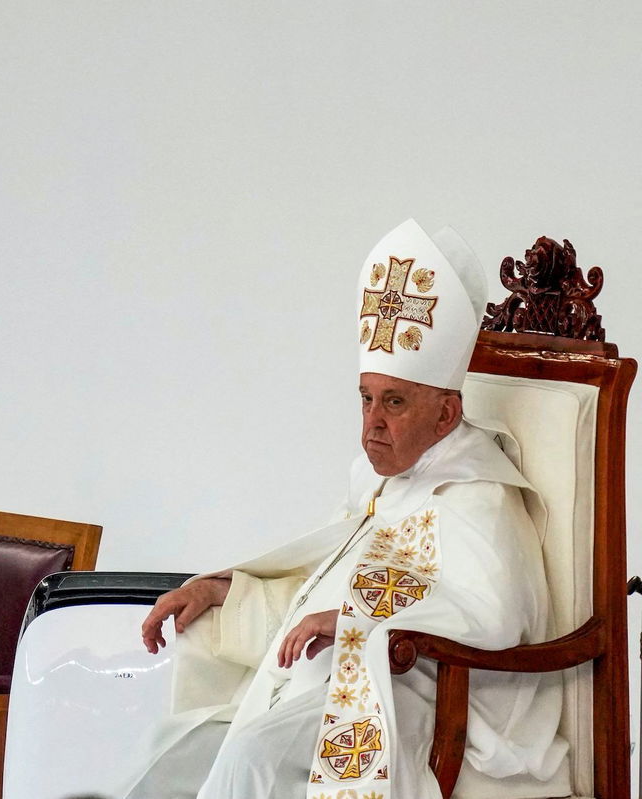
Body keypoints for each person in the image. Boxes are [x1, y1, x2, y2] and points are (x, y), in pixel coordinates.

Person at [124, 220, 570, 799]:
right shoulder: (380, 480)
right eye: (365, 398)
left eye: (394, 402)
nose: (372, 423)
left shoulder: (478, 496)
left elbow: (499, 621)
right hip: (341, 675)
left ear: (446, 412)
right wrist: (223, 591)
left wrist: (359, 625)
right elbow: (322, 588)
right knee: (175, 757)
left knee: (255, 759)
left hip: (425, 698)